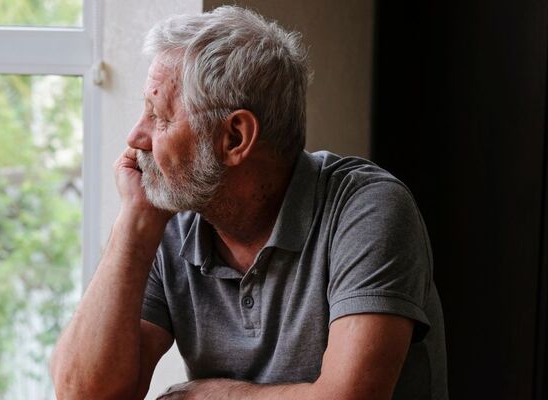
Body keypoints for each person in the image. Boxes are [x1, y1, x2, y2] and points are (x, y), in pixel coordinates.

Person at [50, 6, 447, 400]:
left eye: (160, 117)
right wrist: (134, 227)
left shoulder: (368, 209)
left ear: (235, 138)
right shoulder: (170, 220)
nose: (137, 136)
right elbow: (84, 394)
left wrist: (209, 397)